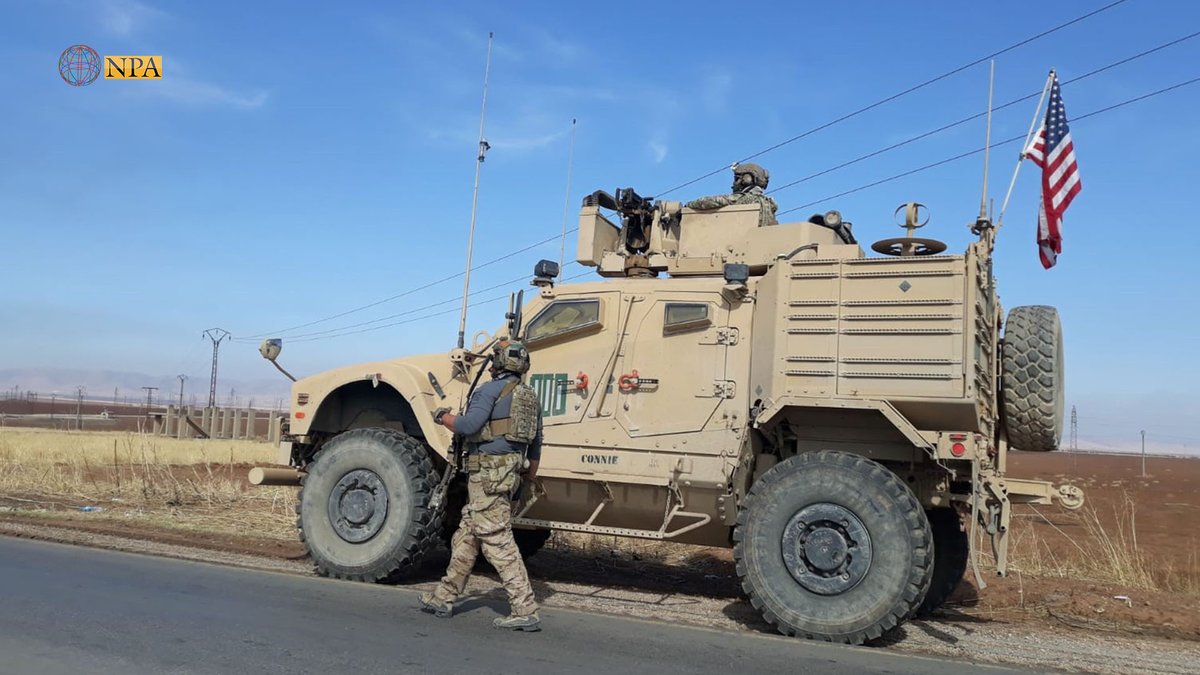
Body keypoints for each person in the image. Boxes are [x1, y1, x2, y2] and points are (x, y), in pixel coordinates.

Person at [420, 339, 544, 632]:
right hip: (510, 472)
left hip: (486, 473)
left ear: (498, 363)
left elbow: (468, 426)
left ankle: (524, 607)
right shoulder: (530, 397)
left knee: (496, 538)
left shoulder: (489, 390)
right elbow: (536, 445)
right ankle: (444, 596)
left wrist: (442, 416)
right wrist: (528, 477)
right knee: (468, 533)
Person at [685, 162, 779, 227]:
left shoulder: (744, 199)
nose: (734, 183)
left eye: (737, 179)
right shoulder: (770, 205)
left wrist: (687, 206)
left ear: (747, 180)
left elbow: (707, 202)